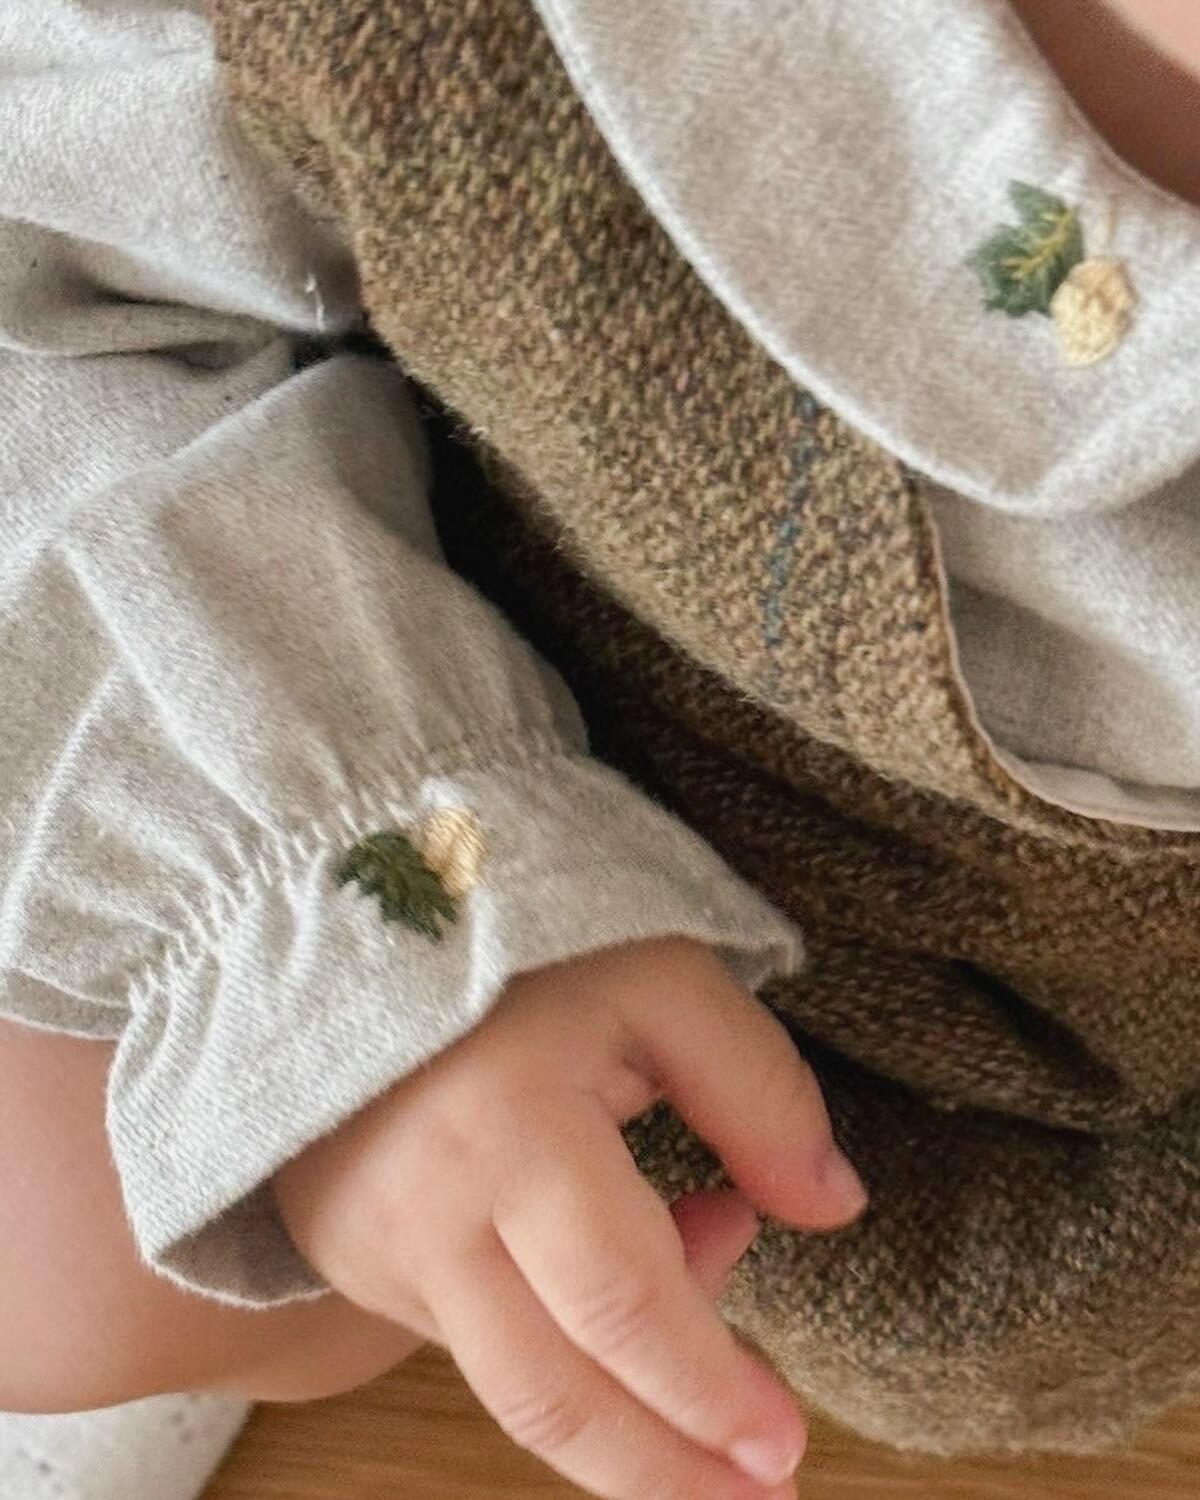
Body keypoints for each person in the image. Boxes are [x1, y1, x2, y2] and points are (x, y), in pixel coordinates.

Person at [3, 2, 1200, 1498]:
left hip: (948, 1100)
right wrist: (364, 945)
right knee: (64, 1270)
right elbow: (48, 268)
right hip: (321, 646)